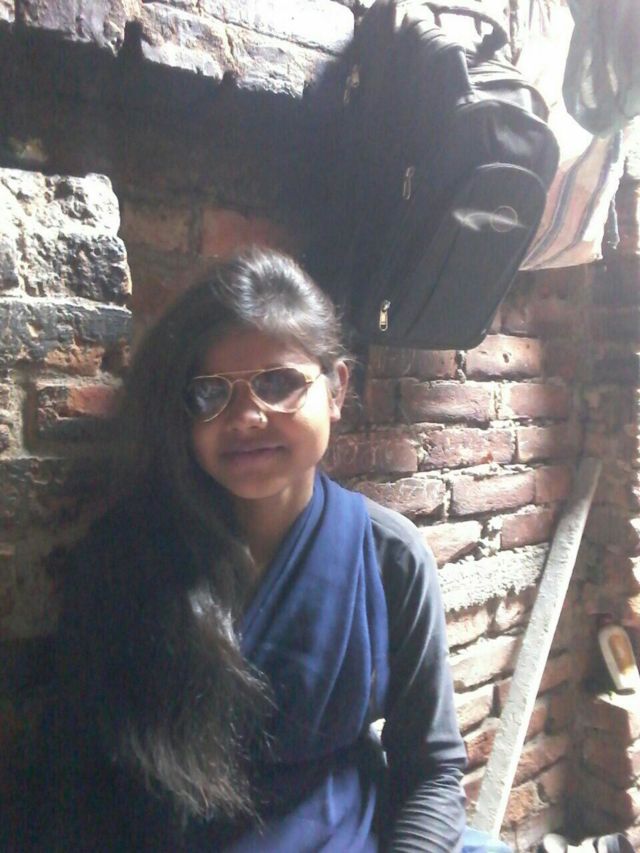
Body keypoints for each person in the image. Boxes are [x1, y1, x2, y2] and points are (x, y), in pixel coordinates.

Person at [39, 249, 468, 851]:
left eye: (279, 384)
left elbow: (432, 772)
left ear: (337, 389)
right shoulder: (126, 558)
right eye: (208, 393)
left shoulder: (388, 557)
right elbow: (76, 779)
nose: (244, 417)